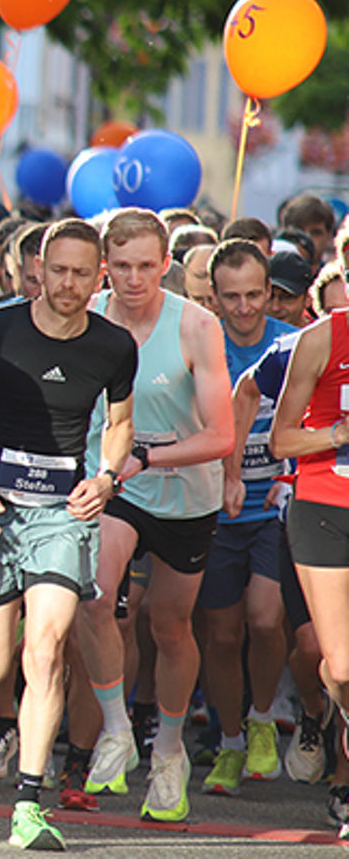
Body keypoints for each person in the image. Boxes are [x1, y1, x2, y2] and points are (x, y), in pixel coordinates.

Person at [0, 218, 137, 849]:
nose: (69, 284)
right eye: (58, 271)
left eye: (82, 273)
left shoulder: (113, 345)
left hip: (60, 514)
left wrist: (105, 477)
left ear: (97, 275)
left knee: (45, 648)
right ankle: (9, 689)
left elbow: (120, 423)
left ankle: (28, 803)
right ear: (37, 270)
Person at [76, 208, 234, 822]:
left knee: (171, 628)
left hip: (186, 491)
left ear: (165, 265)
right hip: (117, 483)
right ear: (104, 268)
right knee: (96, 599)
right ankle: (116, 728)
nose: (133, 279)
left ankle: (168, 752)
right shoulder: (89, 319)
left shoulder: (195, 325)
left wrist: (150, 456)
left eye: (146, 266)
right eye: (121, 267)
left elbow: (221, 436)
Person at [198, 240, 297, 796]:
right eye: (231, 297)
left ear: (271, 293)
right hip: (212, 509)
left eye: (255, 295)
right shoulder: (201, 342)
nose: (243, 308)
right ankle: (231, 742)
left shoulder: (290, 345)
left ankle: (262, 718)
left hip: (270, 506)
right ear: (214, 295)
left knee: (264, 620)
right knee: (221, 632)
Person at [270, 294, 349, 838]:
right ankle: (324, 710)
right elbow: (280, 439)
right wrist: (338, 435)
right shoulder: (322, 337)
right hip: (325, 507)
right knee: (341, 667)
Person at [268, 251, 314, 328]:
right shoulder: (246, 336)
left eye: (286, 297)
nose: (275, 307)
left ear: (308, 298)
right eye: (269, 296)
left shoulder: (321, 337)